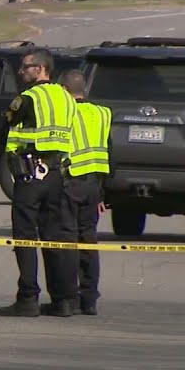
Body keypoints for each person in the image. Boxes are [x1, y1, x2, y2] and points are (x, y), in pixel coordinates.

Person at [0, 48, 79, 317]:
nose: (21, 72)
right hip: (57, 175)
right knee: (55, 238)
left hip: (31, 174)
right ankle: (63, 300)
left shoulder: (28, 97)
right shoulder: (67, 98)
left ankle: (28, 298)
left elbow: (7, 122)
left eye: (26, 67)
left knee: (25, 237)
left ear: (42, 69)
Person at [60, 68, 112, 315]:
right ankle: (89, 298)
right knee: (88, 240)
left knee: (67, 241)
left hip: (69, 183)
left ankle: (68, 298)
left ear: (64, 90)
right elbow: (110, 154)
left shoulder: (65, 114)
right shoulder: (102, 113)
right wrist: (103, 194)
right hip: (93, 186)